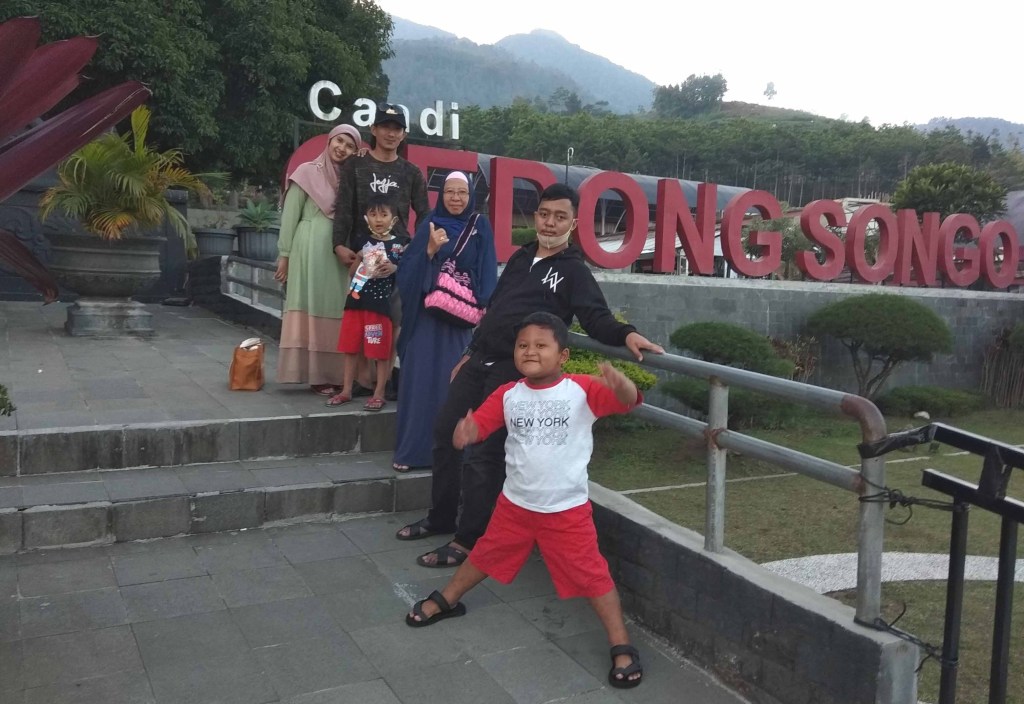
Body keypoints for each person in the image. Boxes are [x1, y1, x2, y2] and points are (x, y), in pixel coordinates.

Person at [396, 182, 664, 568]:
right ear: (536, 216)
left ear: (573, 224)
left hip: (514, 370)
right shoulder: (521, 257)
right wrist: (469, 352)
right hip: (480, 359)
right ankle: (441, 517)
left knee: (484, 454)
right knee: (444, 433)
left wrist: (626, 334)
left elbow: (596, 317)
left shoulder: (573, 271)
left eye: (560, 217)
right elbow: (495, 308)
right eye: (545, 214)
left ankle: (468, 540)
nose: (550, 223)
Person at [404, 312, 644, 690]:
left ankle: (621, 644)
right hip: (514, 506)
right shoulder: (508, 394)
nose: (530, 351)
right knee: (484, 554)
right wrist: (466, 431)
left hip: (566, 511)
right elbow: (480, 424)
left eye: (540, 345)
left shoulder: (581, 389)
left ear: (562, 356)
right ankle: (448, 599)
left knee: (592, 574)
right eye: (522, 345)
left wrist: (621, 384)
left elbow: (628, 401)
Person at [392, 171, 497, 472]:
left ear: (470, 196)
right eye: (450, 192)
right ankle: (411, 452)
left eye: (462, 192)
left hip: (460, 322)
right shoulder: (430, 224)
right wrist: (429, 250)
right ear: (441, 195)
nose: (455, 198)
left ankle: (452, 453)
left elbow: (488, 267)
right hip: (426, 319)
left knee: (456, 385)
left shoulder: (479, 226)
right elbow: (407, 271)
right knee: (420, 381)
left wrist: (485, 304)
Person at [332, 103, 430, 399]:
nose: (391, 133)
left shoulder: (411, 172)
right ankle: (360, 381)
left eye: (397, 128)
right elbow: (343, 208)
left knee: (391, 323)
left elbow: (424, 214)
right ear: (373, 129)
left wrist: (412, 251)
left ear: (404, 134)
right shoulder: (355, 165)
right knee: (360, 319)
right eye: (385, 126)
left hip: (396, 259)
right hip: (360, 256)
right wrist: (338, 244)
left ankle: (381, 384)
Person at [274, 124, 361, 395]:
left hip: (339, 254)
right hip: (308, 250)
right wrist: (284, 255)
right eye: (339, 141)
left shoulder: (351, 180)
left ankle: (337, 374)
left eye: (350, 146)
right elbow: (290, 216)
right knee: (311, 305)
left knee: (336, 308)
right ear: (330, 141)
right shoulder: (306, 172)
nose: (342, 149)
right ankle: (316, 374)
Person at [327, 193, 408, 411]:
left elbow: (408, 273)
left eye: (384, 214)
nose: (378, 219)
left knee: (379, 351)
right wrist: (361, 257)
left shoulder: (400, 245)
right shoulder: (361, 241)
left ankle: (379, 393)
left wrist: (394, 268)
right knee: (350, 348)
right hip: (354, 305)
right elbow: (352, 273)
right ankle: (346, 390)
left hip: (379, 309)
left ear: (394, 219)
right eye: (373, 214)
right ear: (366, 218)